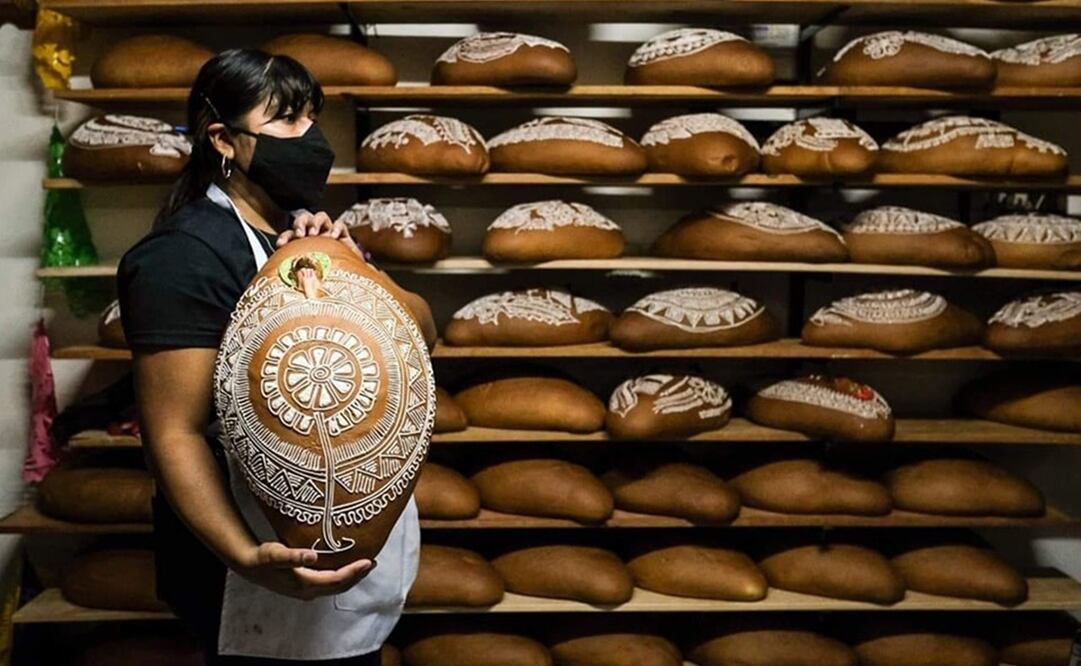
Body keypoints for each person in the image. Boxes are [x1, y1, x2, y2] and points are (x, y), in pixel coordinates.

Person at [117, 49, 419, 665]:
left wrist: (355, 269)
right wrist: (244, 555)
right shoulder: (185, 257)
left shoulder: (309, 235)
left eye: (313, 118)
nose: (309, 139)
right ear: (224, 139)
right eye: (285, 120)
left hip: (343, 567)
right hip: (255, 573)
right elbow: (172, 432)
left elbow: (420, 337)